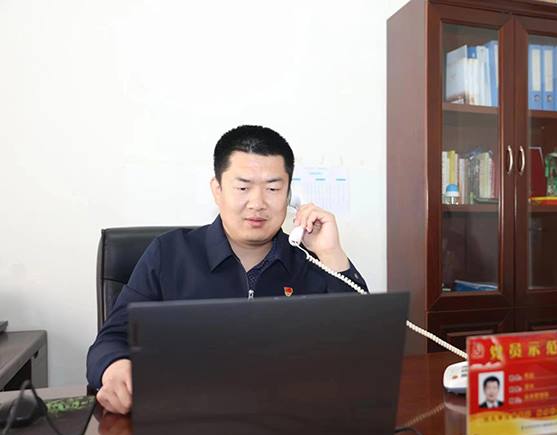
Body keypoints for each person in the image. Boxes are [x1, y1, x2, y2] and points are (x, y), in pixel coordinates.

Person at [86, 125, 366, 414]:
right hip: (189, 420)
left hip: (291, 419)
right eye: (243, 188)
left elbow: (363, 350)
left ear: (289, 195)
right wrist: (115, 367)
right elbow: (111, 340)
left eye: (273, 188)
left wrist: (331, 254)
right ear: (217, 190)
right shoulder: (169, 254)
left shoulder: (310, 261)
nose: (257, 203)